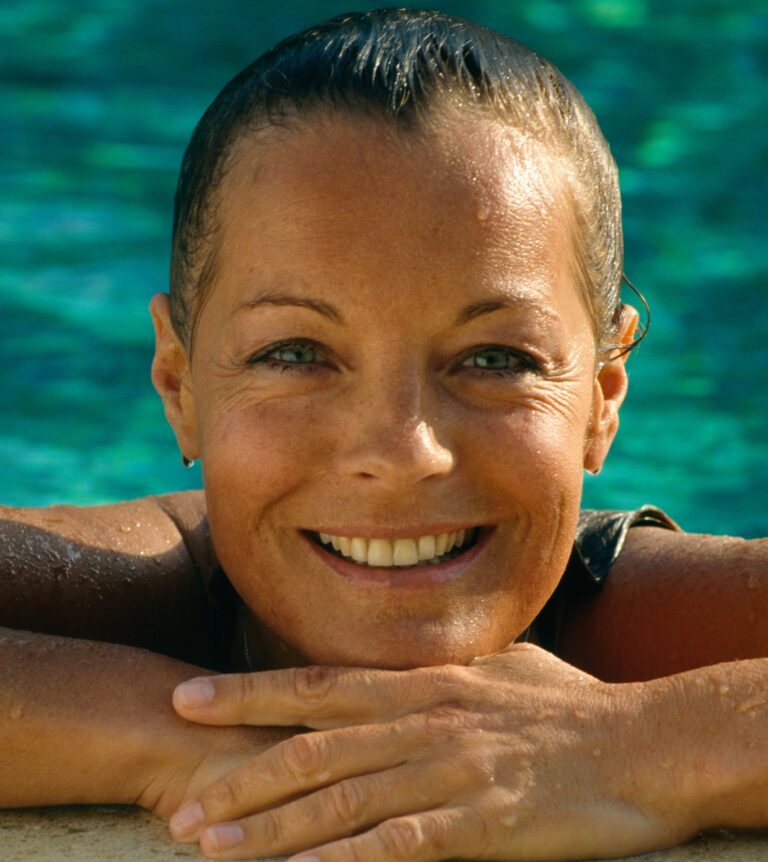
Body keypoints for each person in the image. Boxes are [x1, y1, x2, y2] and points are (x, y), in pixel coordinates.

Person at [1, 8, 767, 861]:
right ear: (180, 385)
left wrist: (636, 744)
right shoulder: (166, 580)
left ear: (602, 397)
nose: (402, 453)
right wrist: (181, 734)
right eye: (295, 354)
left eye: (494, 357)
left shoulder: (616, 610)